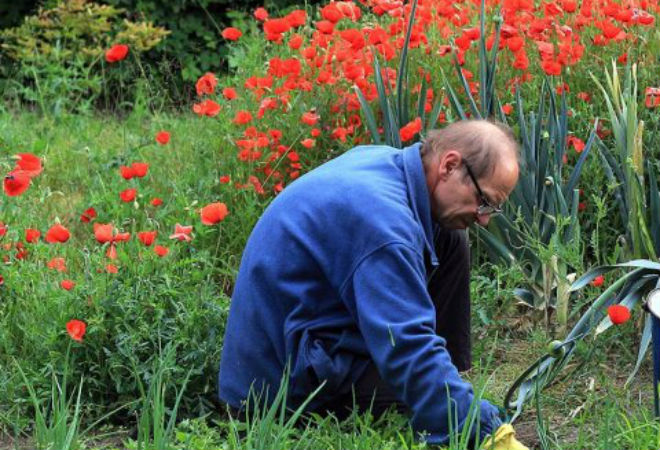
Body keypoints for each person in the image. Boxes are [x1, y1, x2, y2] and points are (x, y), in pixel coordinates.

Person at [218, 119, 520, 445]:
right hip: (276, 390)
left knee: (451, 236)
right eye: (484, 201)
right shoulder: (385, 226)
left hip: (311, 332)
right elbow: (407, 347)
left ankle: (451, 384)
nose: (485, 218)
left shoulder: (391, 167)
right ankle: (451, 414)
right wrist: (488, 433)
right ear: (450, 165)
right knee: (418, 379)